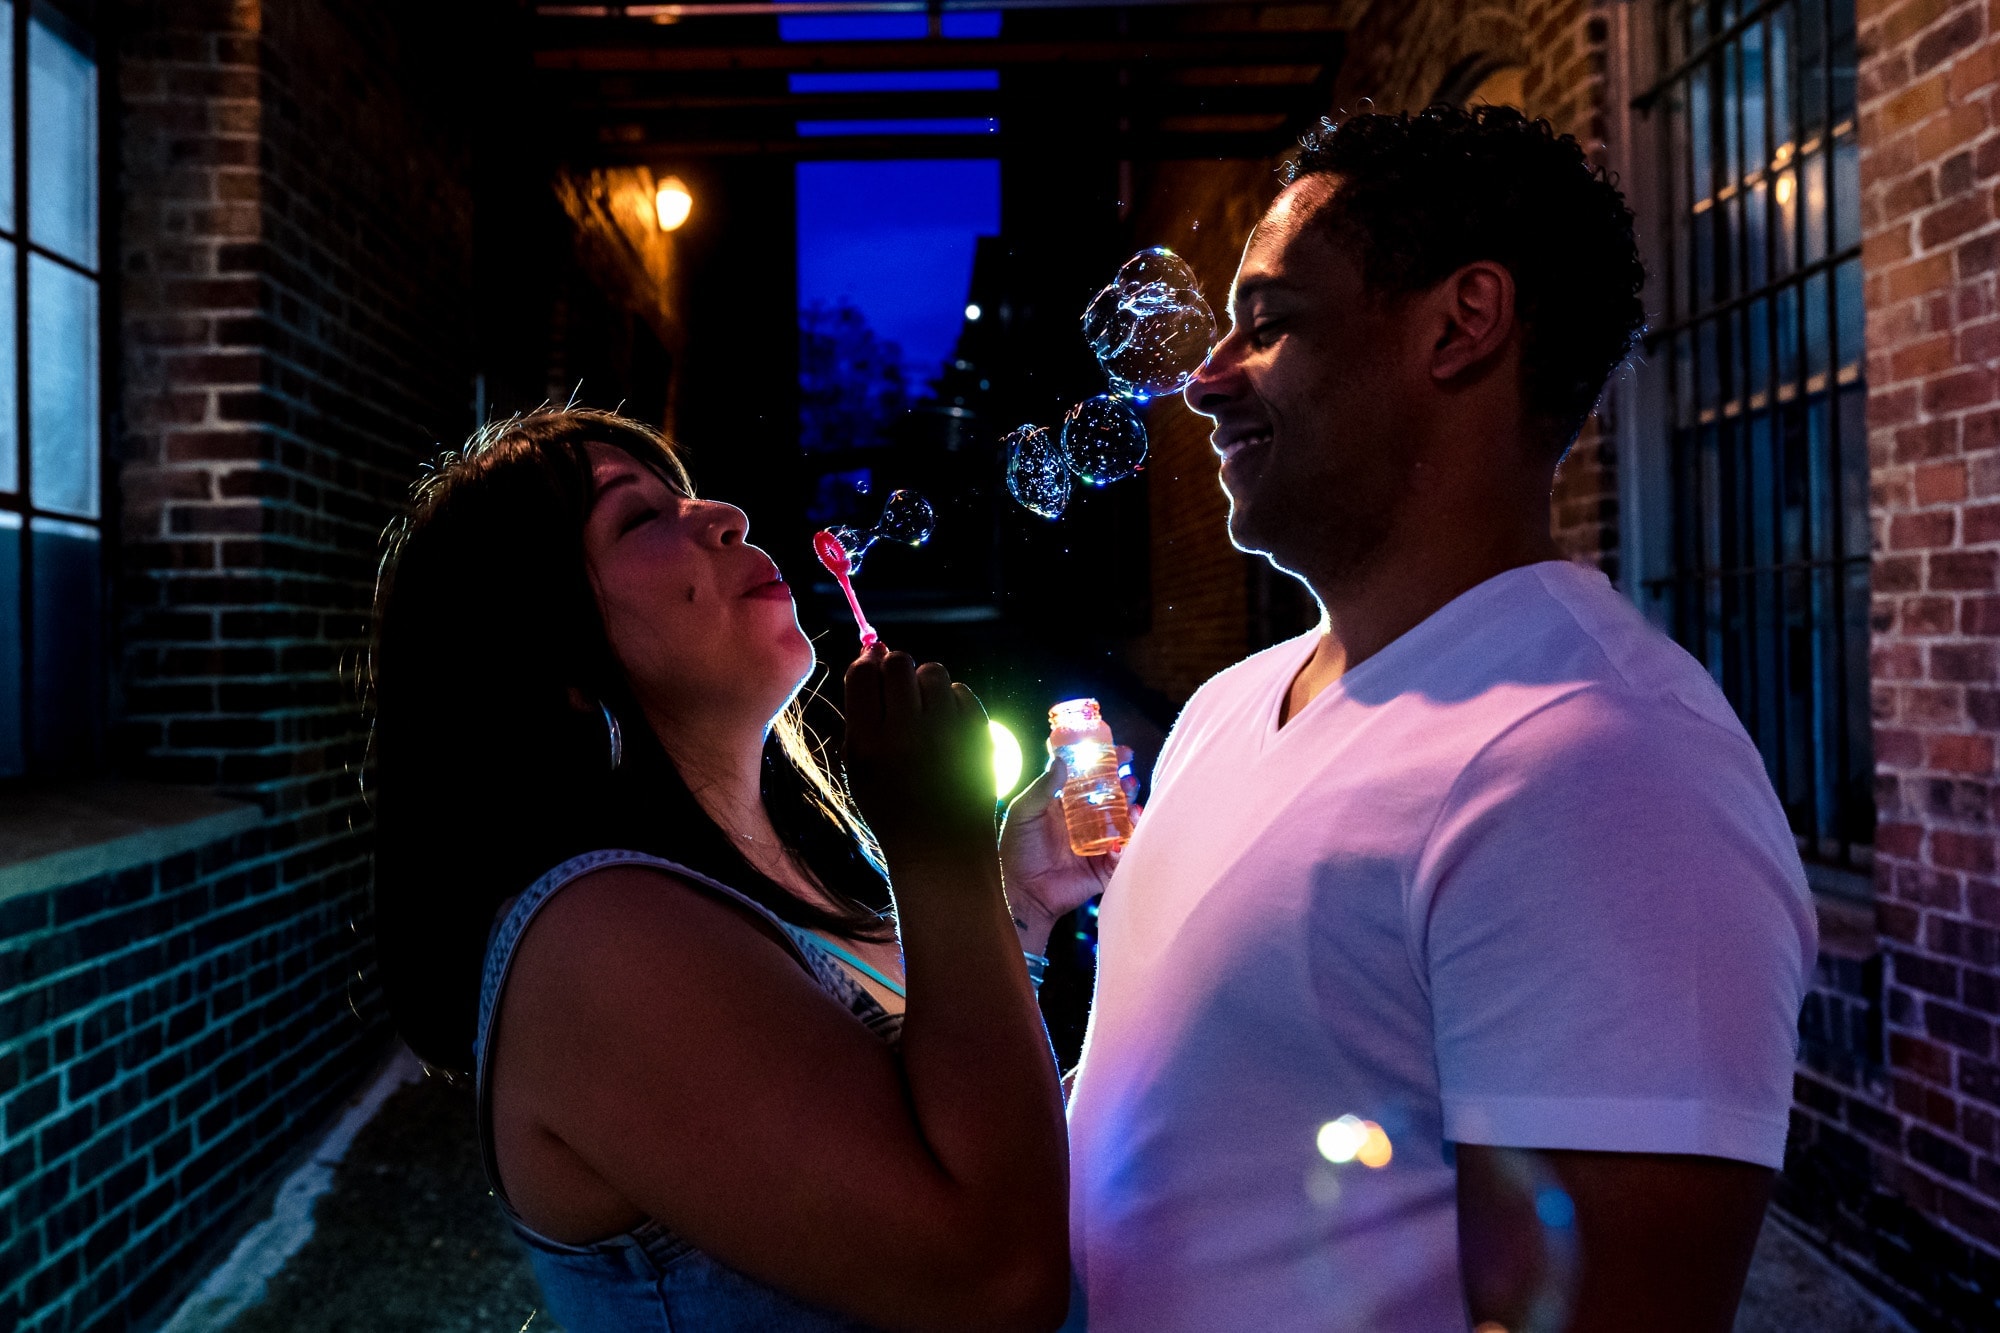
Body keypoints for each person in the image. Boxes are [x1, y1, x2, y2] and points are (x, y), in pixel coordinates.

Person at [1004, 106, 1819, 1332]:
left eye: (1269, 324)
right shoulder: (1229, 707)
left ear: (1459, 324)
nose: (1205, 378)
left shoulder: (1602, 763)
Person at [369, 408, 1070, 1332]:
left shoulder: (815, 872)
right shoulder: (601, 944)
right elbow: (998, 1277)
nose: (728, 515)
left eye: (690, 495)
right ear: (556, 664)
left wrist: (1013, 897)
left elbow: (969, 1123)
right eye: (640, 518)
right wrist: (942, 855)